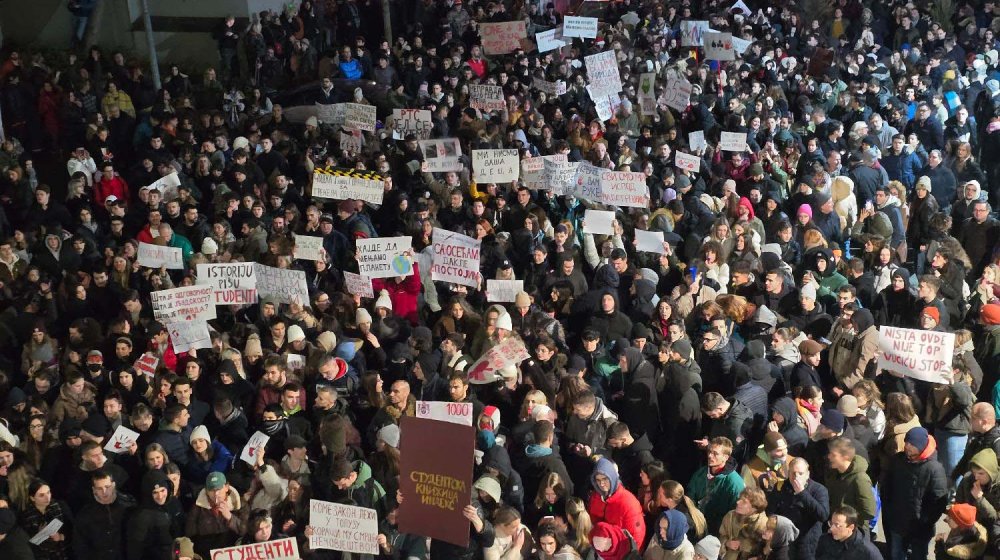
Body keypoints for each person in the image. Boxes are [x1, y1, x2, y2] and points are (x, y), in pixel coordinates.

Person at [814, 506, 881, 560]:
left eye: (837, 525)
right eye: (831, 523)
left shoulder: (867, 551)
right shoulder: (824, 540)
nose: (831, 529)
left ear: (851, 527)